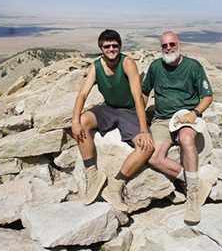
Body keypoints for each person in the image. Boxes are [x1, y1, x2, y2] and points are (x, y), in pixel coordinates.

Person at [72, 29, 154, 212]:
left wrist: (144, 129)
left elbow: (137, 96)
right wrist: (75, 121)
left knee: (146, 147)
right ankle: (93, 176)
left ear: (120, 47)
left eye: (114, 46)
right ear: (100, 48)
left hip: (129, 111)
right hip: (108, 108)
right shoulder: (96, 67)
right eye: (107, 46)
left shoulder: (127, 63)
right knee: (82, 122)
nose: (111, 49)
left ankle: (115, 185)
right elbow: (82, 94)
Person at [142, 31, 213, 225]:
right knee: (154, 157)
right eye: (164, 45)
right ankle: (192, 181)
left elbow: (207, 97)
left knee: (186, 139)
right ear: (161, 48)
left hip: (186, 116)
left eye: (172, 44)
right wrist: (139, 115)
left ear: (179, 45)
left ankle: (192, 196)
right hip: (163, 118)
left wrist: (195, 113)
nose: (168, 48)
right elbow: (144, 92)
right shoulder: (156, 67)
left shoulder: (193, 66)